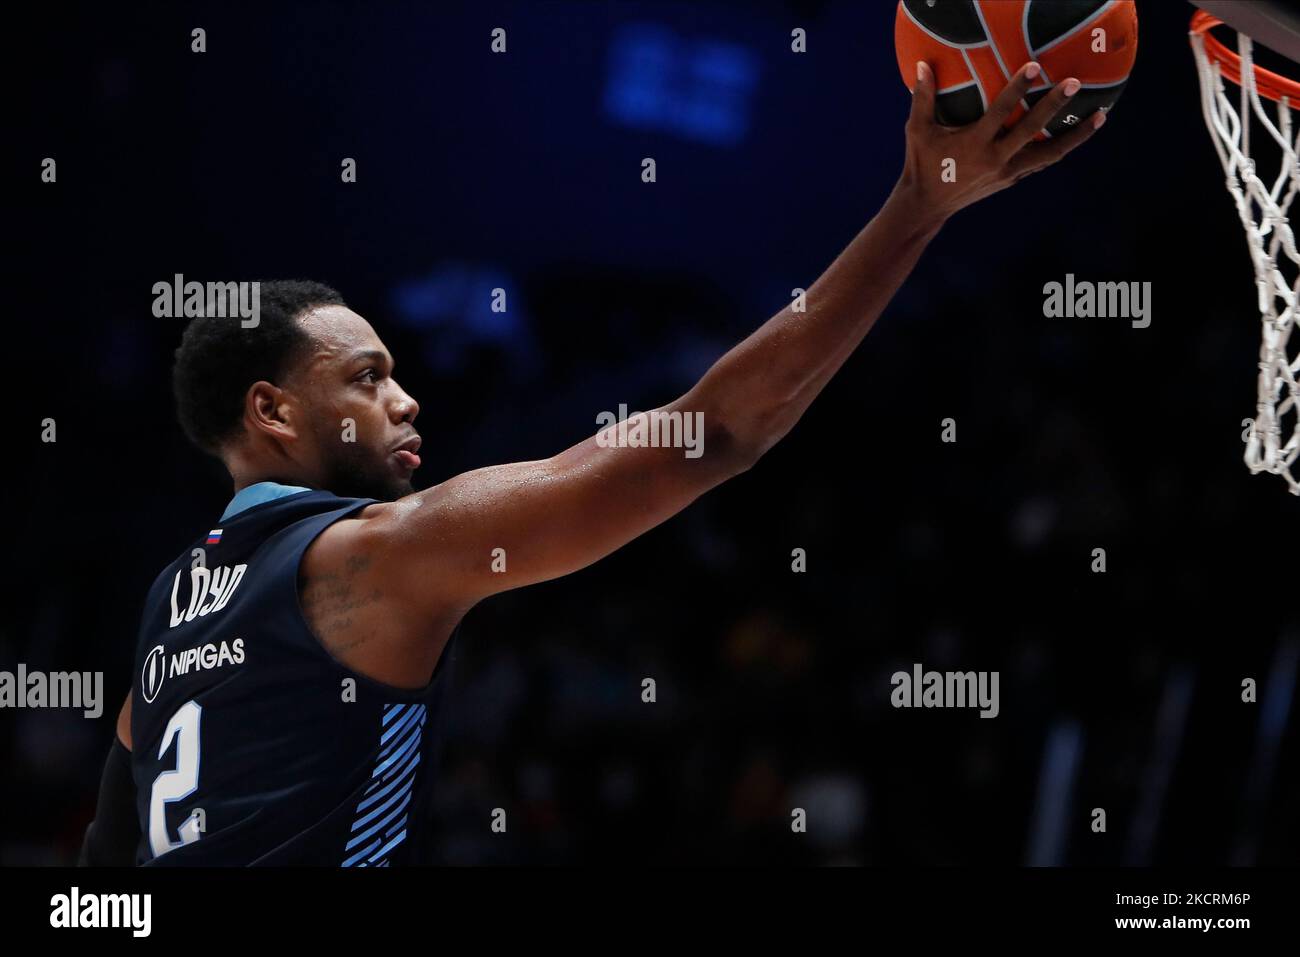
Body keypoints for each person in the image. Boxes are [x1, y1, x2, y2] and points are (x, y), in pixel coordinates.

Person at [80, 62, 1104, 866]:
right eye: (366, 377)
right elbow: (713, 433)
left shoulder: (173, 599)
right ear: (272, 411)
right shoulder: (380, 554)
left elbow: (106, 862)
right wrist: (917, 208)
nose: (405, 398)